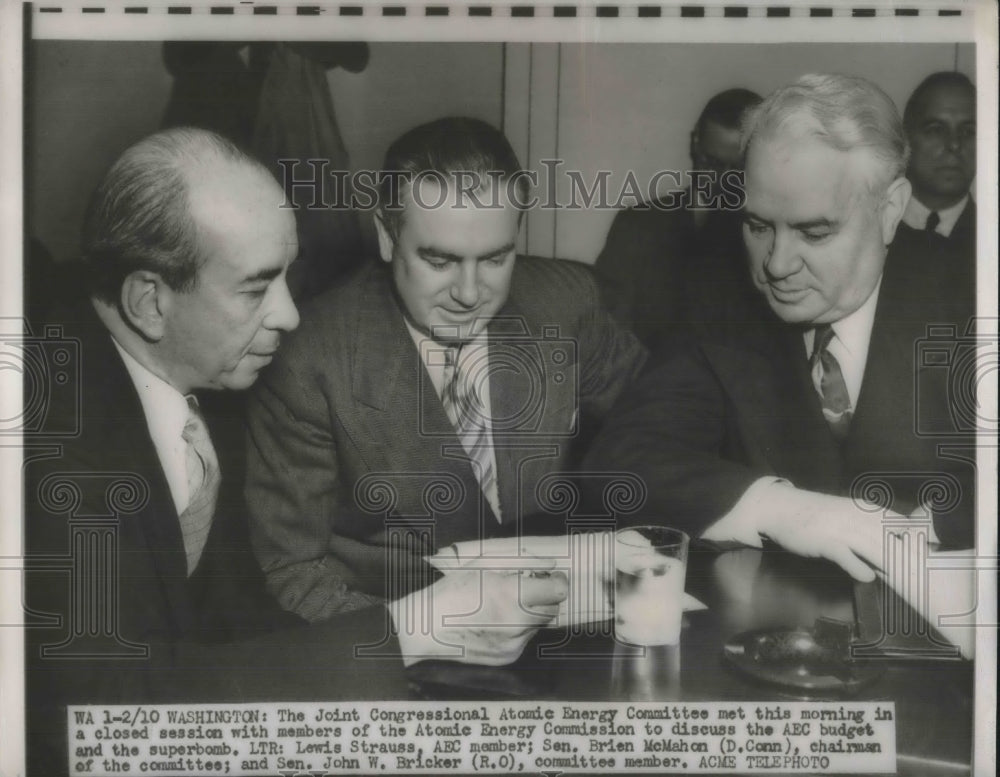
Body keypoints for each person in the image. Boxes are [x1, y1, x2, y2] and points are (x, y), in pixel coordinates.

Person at [23, 128, 567, 776]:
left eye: (288, 275)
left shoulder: (203, 391)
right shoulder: (51, 440)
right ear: (149, 300)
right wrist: (412, 628)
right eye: (256, 288)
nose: (288, 314)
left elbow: (233, 616)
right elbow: (98, 717)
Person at [246, 116, 647, 622]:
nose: (469, 293)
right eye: (440, 261)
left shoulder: (566, 303)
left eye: (496, 259)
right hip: (398, 647)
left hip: (564, 621)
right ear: (388, 237)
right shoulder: (310, 361)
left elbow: (660, 432)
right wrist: (432, 634)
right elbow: (291, 572)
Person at [584, 74, 975, 581]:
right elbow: (620, 462)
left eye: (814, 231)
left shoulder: (975, 298)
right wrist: (789, 512)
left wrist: (927, 525)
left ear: (891, 211)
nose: (777, 264)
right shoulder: (725, 301)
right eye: (759, 226)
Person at [594, 88, 764, 344]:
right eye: (713, 164)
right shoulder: (637, 226)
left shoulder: (768, 237)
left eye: (738, 171)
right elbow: (606, 335)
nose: (722, 181)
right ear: (695, 141)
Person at [898, 72, 976, 256]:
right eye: (936, 130)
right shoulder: (864, 232)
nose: (955, 144)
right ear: (905, 140)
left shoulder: (991, 236)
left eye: (969, 131)